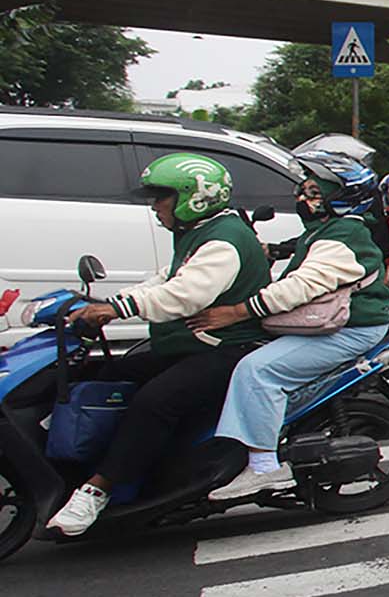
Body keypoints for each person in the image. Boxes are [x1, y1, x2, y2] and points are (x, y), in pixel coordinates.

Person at [47, 154, 272, 535]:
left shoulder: (225, 240)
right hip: (192, 343)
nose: (154, 206)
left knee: (155, 401)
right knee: (108, 373)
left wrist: (117, 310)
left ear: (193, 197)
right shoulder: (198, 232)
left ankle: (99, 488)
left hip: (228, 348)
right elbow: (163, 280)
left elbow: (184, 295)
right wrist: (103, 303)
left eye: (160, 197)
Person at [200, 152, 389, 496]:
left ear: (343, 197)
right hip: (330, 322)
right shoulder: (327, 229)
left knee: (257, 371)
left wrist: (239, 311)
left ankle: (264, 467)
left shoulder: (344, 234)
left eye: (314, 193)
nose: (304, 200)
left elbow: (300, 286)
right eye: (303, 192)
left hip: (351, 328)